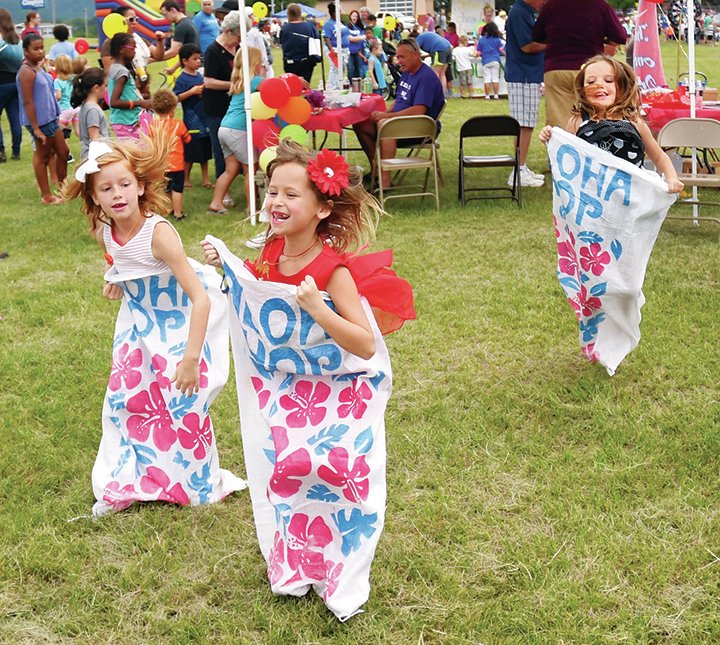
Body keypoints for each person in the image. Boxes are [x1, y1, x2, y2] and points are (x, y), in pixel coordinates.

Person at [201, 140, 414, 620]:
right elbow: (257, 302)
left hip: (341, 393)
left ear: (321, 208)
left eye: (291, 195)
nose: (277, 201)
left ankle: (343, 559)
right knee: (290, 471)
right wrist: (229, 268)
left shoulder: (333, 268)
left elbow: (363, 343)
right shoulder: (272, 251)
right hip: (292, 394)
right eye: (272, 190)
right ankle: (298, 555)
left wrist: (320, 309)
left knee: (335, 474)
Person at [61, 133, 244, 516]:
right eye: (106, 188)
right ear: (94, 197)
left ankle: (195, 481)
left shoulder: (159, 234)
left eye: (125, 184)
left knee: (183, 401)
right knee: (126, 398)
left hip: (180, 321)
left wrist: (191, 358)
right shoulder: (105, 231)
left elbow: (200, 298)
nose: (117, 194)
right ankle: (138, 471)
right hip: (138, 324)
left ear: (140, 185)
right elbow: (119, 261)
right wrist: (114, 279)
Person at [539, 55, 683, 194]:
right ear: (582, 90)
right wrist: (550, 137)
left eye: (608, 80)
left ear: (621, 87)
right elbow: (566, 153)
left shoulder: (634, 123)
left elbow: (658, 156)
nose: (599, 85)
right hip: (591, 196)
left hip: (629, 196)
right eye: (591, 82)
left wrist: (671, 178)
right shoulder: (579, 122)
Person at [352, 38, 444, 188]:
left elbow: (419, 110)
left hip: (420, 128)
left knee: (385, 124)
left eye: (402, 57)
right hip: (401, 123)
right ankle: (376, 169)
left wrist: (386, 117)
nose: (398, 61)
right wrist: (383, 112)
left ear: (415, 56)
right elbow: (400, 100)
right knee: (361, 123)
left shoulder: (426, 77)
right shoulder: (407, 72)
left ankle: (385, 182)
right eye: (397, 56)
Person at [532, 0, 627, 127]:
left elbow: (537, 35)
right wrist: (604, 40)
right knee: (594, 115)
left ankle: (561, 145)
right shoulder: (600, 5)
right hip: (591, 70)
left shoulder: (551, 5)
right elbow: (620, 36)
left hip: (557, 68)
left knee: (558, 120)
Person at [207, 47, 264, 215]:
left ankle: (216, 202)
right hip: (239, 130)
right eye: (260, 60)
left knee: (230, 170)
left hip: (225, 128)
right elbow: (278, 88)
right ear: (254, 63)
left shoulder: (240, 81)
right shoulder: (256, 81)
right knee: (250, 170)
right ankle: (251, 208)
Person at [16, 33, 69, 204]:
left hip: (51, 118)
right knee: (43, 156)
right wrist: (36, 128)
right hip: (40, 121)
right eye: (35, 49)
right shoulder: (26, 72)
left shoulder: (38, 67)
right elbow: (27, 101)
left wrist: (57, 116)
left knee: (63, 152)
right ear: (25, 51)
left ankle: (63, 187)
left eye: (41, 48)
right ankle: (47, 196)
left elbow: (47, 95)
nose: (40, 52)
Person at [504, 0, 546, 188]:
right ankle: (518, 170)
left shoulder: (523, 10)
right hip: (524, 75)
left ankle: (520, 167)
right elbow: (527, 46)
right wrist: (552, 43)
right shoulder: (520, 12)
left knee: (525, 123)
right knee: (524, 124)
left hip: (526, 75)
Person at [203, 10, 241, 199]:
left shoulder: (238, 48)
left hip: (234, 107)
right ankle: (222, 192)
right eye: (238, 35)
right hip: (216, 108)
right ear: (228, 31)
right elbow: (208, 82)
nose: (239, 40)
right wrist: (234, 85)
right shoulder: (212, 51)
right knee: (220, 149)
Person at [100, 7, 166, 99]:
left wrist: (160, 42)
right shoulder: (111, 42)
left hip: (143, 88)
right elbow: (109, 73)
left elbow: (158, 56)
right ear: (121, 20)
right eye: (131, 19)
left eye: (136, 19)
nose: (135, 22)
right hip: (126, 90)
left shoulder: (139, 40)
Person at [173, 43, 213, 189]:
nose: (198, 61)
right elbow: (175, 97)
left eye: (199, 58)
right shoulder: (182, 79)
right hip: (191, 120)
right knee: (190, 151)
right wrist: (191, 92)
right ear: (185, 61)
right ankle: (186, 179)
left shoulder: (200, 76)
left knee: (205, 151)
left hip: (204, 119)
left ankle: (206, 179)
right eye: (195, 59)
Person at [150, 89, 191, 219]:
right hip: (177, 165)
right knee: (177, 189)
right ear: (172, 108)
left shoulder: (153, 125)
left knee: (165, 189)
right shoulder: (178, 124)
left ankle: (167, 210)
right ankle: (178, 213)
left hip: (161, 165)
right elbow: (187, 139)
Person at [107, 32, 151, 139]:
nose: (135, 52)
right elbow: (114, 102)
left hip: (125, 121)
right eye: (132, 48)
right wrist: (139, 103)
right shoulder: (122, 72)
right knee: (133, 154)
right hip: (127, 123)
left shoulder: (115, 68)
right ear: (121, 49)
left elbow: (126, 95)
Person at [0, 8, 23, 162]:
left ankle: (0, 150)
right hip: (16, 82)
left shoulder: (1, 41)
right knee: (14, 117)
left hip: (1, 84)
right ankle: (16, 151)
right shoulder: (17, 39)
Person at [72, 67, 110, 159]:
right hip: (97, 157)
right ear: (96, 88)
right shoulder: (93, 110)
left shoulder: (86, 106)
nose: (106, 89)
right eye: (105, 86)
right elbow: (94, 139)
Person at [280, 3, 319, 84]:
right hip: (307, 61)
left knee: (292, 86)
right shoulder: (309, 26)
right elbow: (316, 40)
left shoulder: (284, 28)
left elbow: (282, 44)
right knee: (306, 85)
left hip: (290, 62)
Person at [160, 0, 201, 73]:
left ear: (172, 10)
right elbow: (186, 54)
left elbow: (173, 52)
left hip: (192, 69)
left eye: (165, 14)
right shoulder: (188, 22)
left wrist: (153, 58)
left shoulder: (181, 26)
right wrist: (173, 68)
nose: (165, 18)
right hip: (197, 66)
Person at [416, 29, 453, 96]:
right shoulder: (427, 35)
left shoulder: (418, 39)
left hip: (439, 49)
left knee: (435, 73)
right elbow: (432, 51)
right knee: (442, 73)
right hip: (448, 48)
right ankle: (442, 94)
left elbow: (415, 50)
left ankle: (435, 93)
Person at [477, 20, 504, 100]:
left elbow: (479, 51)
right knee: (495, 78)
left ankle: (487, 95)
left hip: (485, 60)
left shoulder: (481, 40)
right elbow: (501, 50)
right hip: (495, 59)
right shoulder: (497, 39)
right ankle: (496, 95)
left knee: (487, 79)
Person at [347, 10, 367, 82]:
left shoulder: (360, 28)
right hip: (349, 52)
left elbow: (363, 39)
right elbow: (350, 39)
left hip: (358, 52)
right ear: (350, 17)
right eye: (353, 16)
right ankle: (351, 85)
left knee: (359, 70)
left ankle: (358, 86)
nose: (355, 18)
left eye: (356, 16)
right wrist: (361, 37)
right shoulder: (347, 28)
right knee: (350, 69)